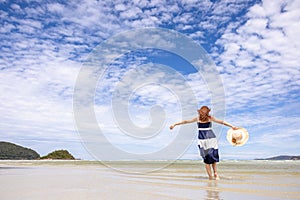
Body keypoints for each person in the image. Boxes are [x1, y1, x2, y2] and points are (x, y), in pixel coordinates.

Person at [170, 106, 238, 180]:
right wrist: (175, 124)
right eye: (203, 112)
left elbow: (222, 122)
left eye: (205, 112)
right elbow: (185, 121)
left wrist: (232, 126)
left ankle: (213, 175)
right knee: (209, 158)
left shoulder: (207, 118)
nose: (204, 114)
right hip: (205, 140)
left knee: (210, 158)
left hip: (209, 139)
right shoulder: (201, 118)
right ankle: (212, 175)